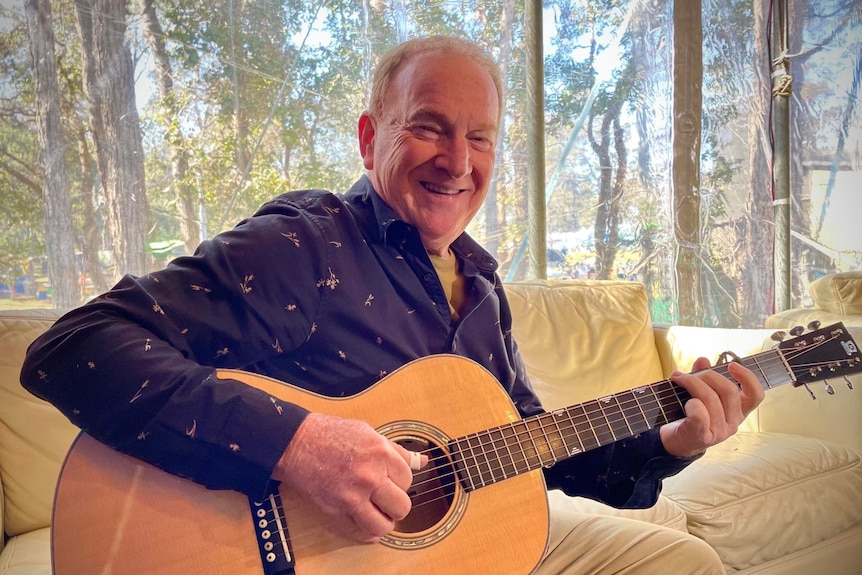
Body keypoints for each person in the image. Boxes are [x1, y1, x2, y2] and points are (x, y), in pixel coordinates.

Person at [21, 35, 764, 574]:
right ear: (370, 137)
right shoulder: (305, 246)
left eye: (480, 137)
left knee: (683, 560)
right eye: (430, 126)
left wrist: (670, 437)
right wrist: (300, 445)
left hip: (446, 555)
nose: (458, 160)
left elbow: (530, 445)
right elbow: (73, 349)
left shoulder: (480, 287)